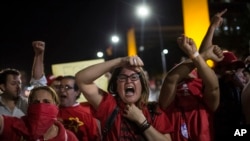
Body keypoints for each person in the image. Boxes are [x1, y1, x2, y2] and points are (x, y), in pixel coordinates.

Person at [75, 56, 173, 141]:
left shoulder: (154, 111)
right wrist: (120, 61)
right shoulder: (109, 106)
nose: (128, 81)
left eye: (134, 77)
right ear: (116, 85)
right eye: (122, 77)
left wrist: (142, 122)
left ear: (142, 84)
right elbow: (81, 79)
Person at [159, 34, 223, 141]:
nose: (188, 72)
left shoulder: (205, 103)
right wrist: (199, 55)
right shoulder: (169, 104)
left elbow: (214, 87)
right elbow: (171, 79)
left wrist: (196, 55)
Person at [0, 86, 78, 140]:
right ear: (29, 106)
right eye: (36, 102)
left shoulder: (68, 138)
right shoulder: (16, 127)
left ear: (56, 106)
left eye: (46, 102)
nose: (41, 106)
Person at [57, 75, 101, 141]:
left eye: (67, 87)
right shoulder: (52, 111)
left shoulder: (87, 114)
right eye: (60, 87)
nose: (62, 90)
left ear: (77, 92)